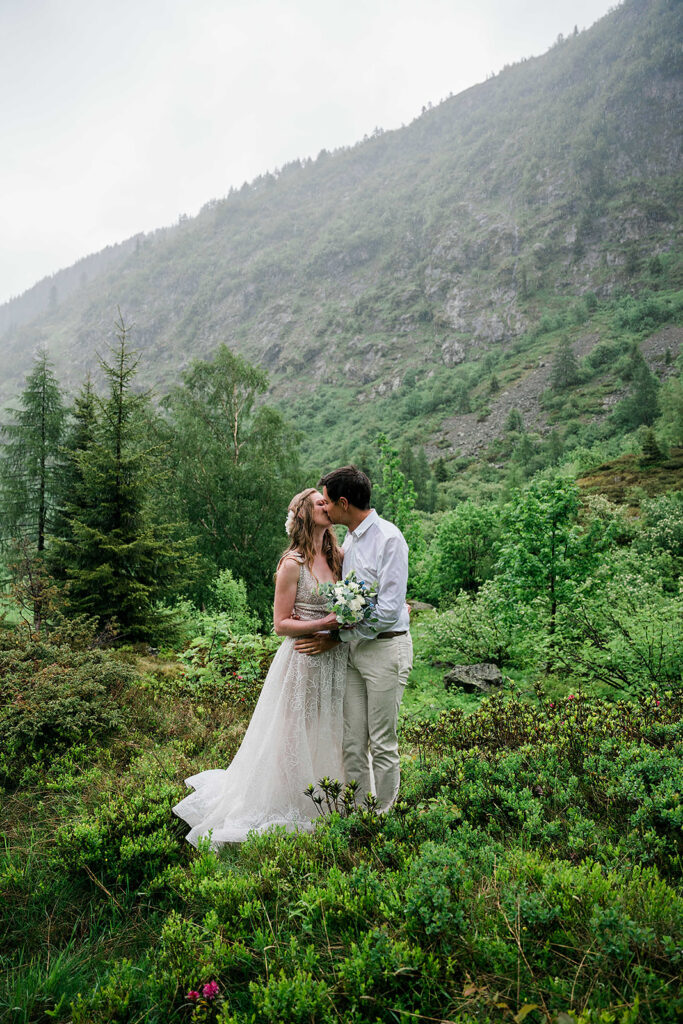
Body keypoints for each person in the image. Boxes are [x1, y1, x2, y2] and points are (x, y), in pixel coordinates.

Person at [173, 488, 348, 847]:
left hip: (334, 658)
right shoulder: (292, 564)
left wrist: (337, 629)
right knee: (291, 731)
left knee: (329, 727)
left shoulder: (339, 557)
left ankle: (329, 795)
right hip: (301, 658)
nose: (327, 508)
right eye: (320, 503)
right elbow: (281, 624)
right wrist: (324, 621)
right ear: (304, 513)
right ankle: (287, 798)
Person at [295, 466, 412, 812]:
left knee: (382, 741)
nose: (325, 508)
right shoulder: (349, 539)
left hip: (385, 650)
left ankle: (385, 814)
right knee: (351, 741)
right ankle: (359, 811)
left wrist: (337, 636)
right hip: (353, 650)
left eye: (328, 502)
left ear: (344, 503)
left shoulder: (389, 539)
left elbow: (390, 611)